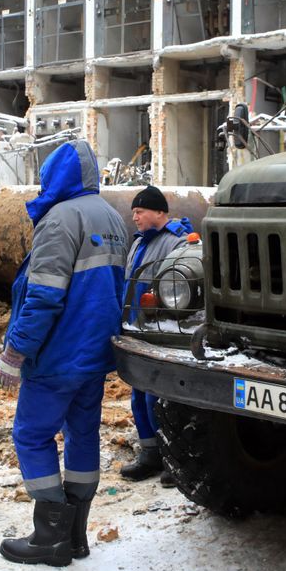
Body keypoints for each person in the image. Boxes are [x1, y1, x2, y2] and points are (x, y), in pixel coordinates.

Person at [0, 139, 127, 566]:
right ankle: (75, 535)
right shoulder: (112, 217)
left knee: (31, 435)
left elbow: (44, 297)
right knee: (82, 434)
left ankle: (50, 537)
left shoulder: (59, 219)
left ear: (56, 176)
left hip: (58, 354)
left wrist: (16, 352)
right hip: (95, 354)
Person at [119, 186, 192, 482]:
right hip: (136, 329)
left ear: (160, 212)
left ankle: (173, 458)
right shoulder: (139, 242)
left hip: (161, 333)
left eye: (140, 211)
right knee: (138, 395)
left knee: (159, 398)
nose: (135, 217)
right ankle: (150, 453)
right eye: (134, 212)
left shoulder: (178, 242)